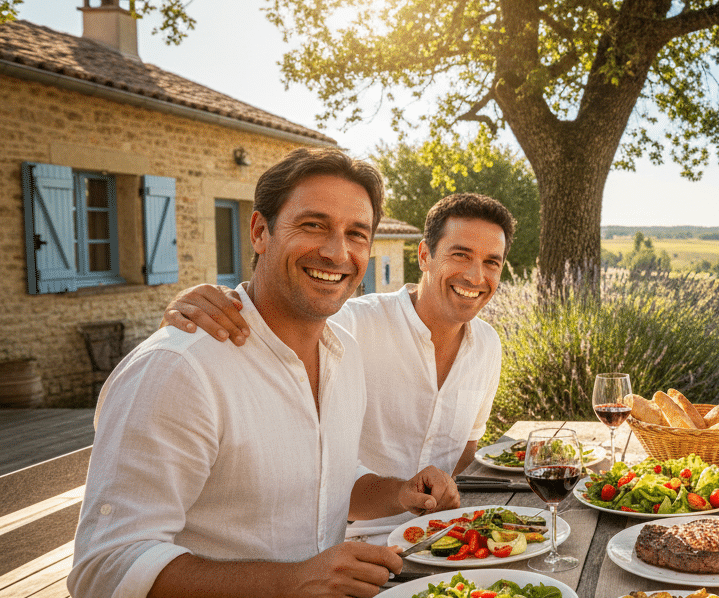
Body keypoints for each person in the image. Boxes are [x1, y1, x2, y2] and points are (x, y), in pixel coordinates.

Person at [67, 148, 460, 598]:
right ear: (259, 230)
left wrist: (396, 492)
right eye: (313, 225)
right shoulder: (181, 367)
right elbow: (104, 572)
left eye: (356, 233)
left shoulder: (341, 353)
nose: (336, 251)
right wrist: (293, 585)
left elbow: (324, 473)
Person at [163, 193, 513, 541]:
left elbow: (467, 449)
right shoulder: (349, 325)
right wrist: (190, 311)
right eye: (460, 255)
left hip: (444, 538)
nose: (474, 276)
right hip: (347, 542)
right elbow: (267, 336)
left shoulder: (487, 345)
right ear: (424, 255)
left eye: (491, 262)